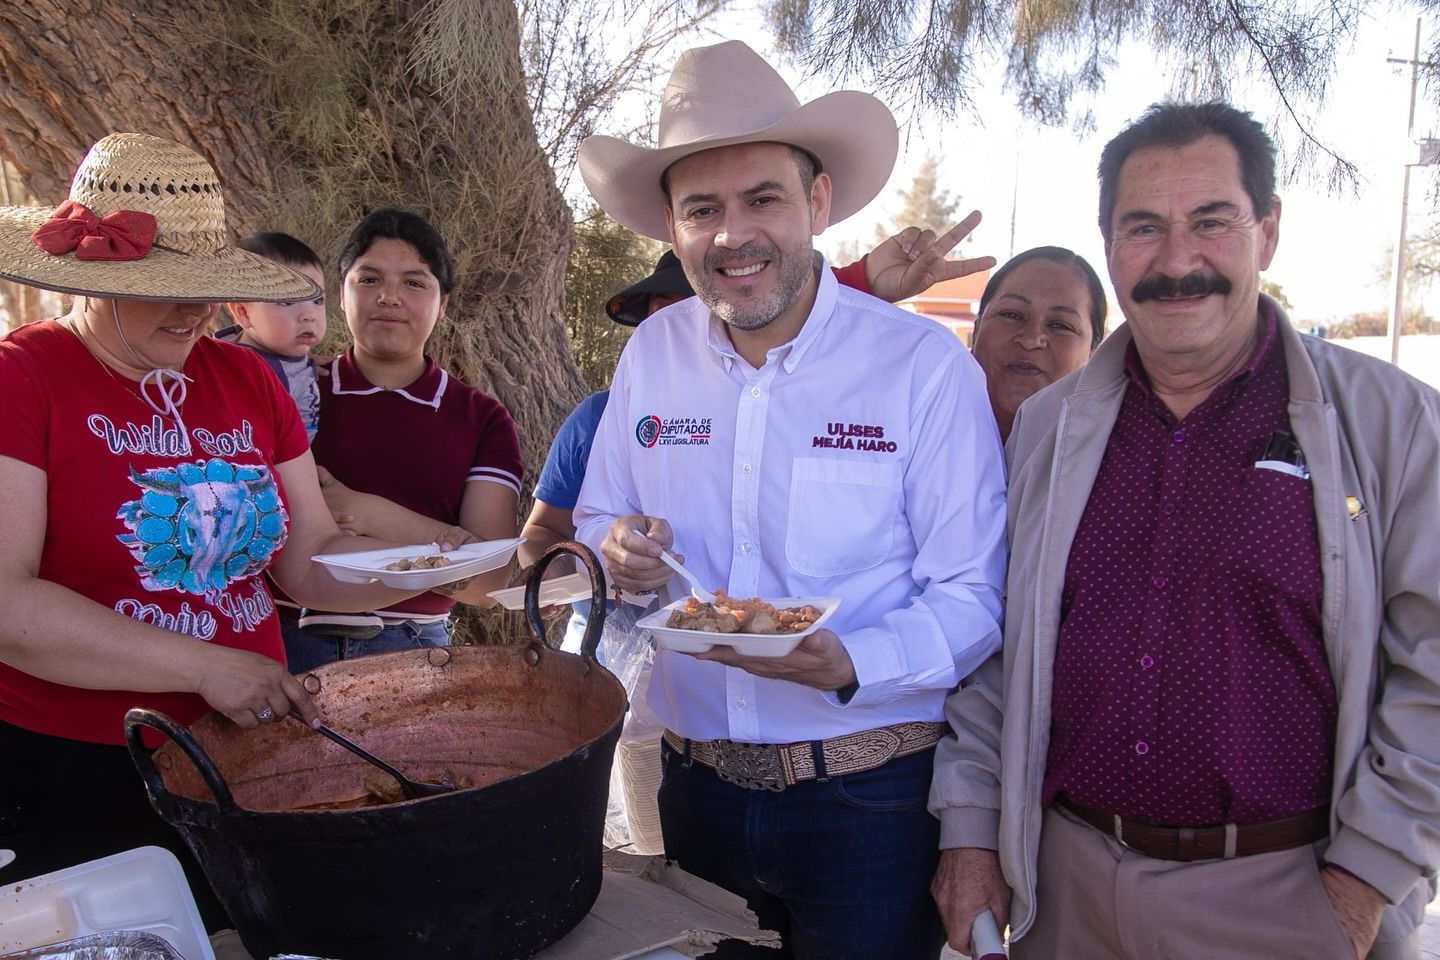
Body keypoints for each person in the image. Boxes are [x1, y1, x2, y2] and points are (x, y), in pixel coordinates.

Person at [929, 102, 1440, 960]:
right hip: (1067, 890)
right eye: (1144, 228)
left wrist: (1364, 882)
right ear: (1108, 245)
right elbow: (995, 646)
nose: (1176, 261)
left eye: (1211, 221)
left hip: (1289, 898)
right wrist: (973, 831)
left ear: (1266, 231)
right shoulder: (1047, 429)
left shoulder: (1393, 423)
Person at [572, 40, 1008, 959]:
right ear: (672, 228)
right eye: (703, 209)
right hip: (695, 794)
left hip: (872, 803)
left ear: (817, 202)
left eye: (762, 198)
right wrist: (617, 549)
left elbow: (974, 596)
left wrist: (851, 661)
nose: (733, 235)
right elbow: (595, 516)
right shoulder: (651, 355)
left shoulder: (922, 367)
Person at [0, 133, 447, 925]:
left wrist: (433, 566)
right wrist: (203, 666)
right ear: (93, 278)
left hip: (244, 751)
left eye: (206, 288)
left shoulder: (244, 378)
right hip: (77, 769)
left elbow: (308, 562)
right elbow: (8, 602)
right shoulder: (22, 375)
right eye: (166, 289)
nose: (195, 310)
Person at [282, 208, 522, 673]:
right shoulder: (291, 394)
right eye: (369, 279)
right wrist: (444, 545)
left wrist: (366, 513)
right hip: (281, 640)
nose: (389, 297)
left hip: (415, 650)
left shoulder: (481, 418)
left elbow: (487, 582)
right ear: (340, 294)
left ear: (443, 303)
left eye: (413, 282)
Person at [969, 245, 1106, 441]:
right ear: (976, 329)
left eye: (1060, 325)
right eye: (1011, 314)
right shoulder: (924, 414)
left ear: (1094, 351)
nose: (1031, 340)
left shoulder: (1114, 452)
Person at [217, 231, 327, 440]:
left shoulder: (283, 350)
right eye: (287, 301)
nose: (309, 315)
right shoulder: (237, 374)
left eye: (317, 300)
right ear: (244, 312)